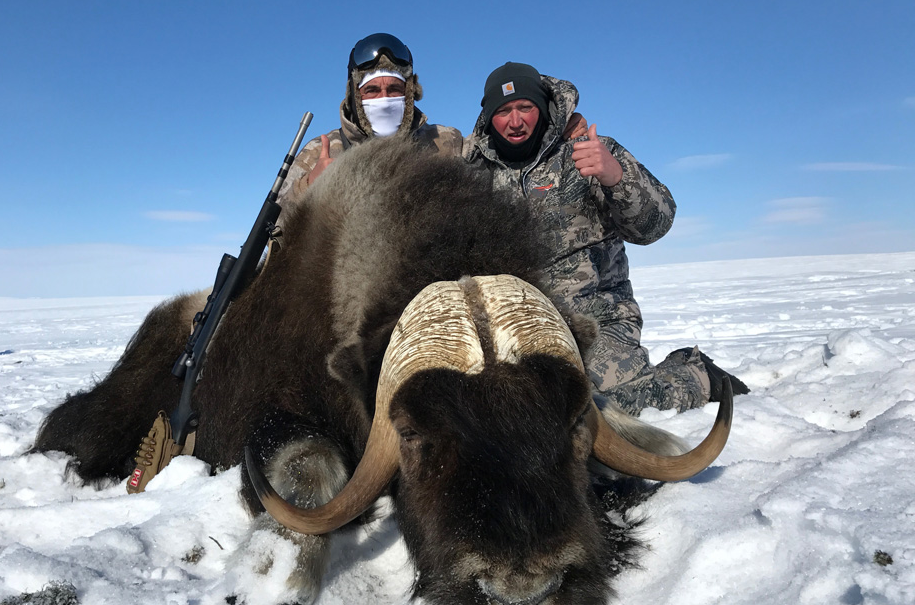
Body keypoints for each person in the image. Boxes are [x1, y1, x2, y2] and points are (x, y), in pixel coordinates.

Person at [464, 62, 748, 416]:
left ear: (544, 107)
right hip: (518, 330)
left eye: (525, 107)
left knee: (602, 410)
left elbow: (656, 225)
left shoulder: (589, 150)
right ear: (489, 117)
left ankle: (697, 375)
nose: (515, 121)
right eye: (503, 111)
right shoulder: (471, 174)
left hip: (599, 320)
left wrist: (615, 177)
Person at [279, 33, 463, 207]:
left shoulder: (447, 142)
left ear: (410, 94)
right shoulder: (318, 153)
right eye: (371, 91)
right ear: (355, 97)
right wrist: (309, 186)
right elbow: (275, 232)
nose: (384, 101)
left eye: (395, 89)